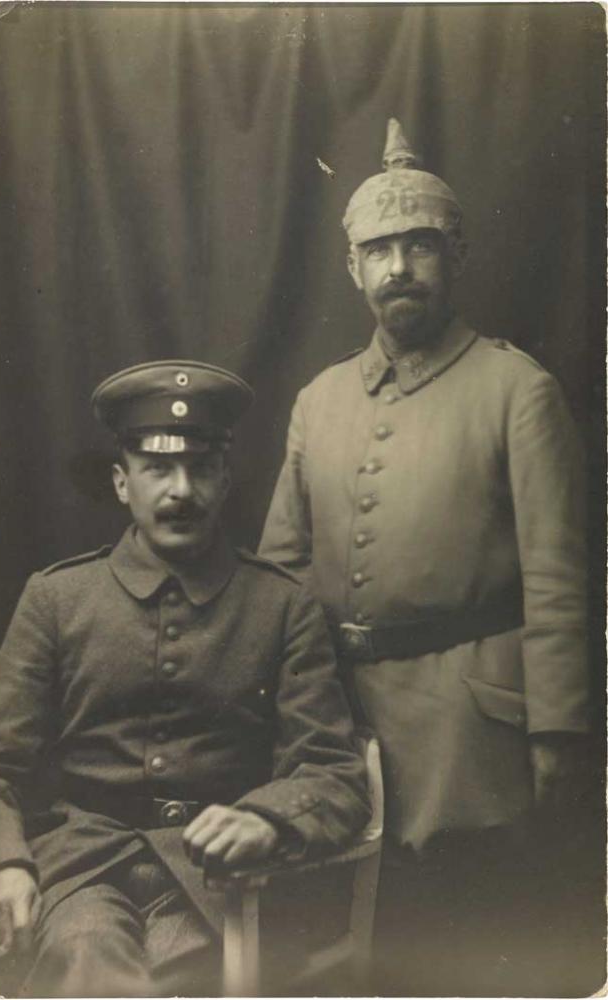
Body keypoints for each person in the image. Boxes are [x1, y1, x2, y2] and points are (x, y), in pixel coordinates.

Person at [259, 120, 592, 994]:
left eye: (419, 247)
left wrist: (556, 727)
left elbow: (558, 575)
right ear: (351, 268)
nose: (398, 267)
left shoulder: (514, 389)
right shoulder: (318, 400)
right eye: (378, 250)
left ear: (456, 257)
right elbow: (280, 574)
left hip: (473, 735)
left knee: (463, 948)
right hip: (337, 723)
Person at [0, 360, 370, 998]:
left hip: (217, 882)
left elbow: (331, 767)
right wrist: (4, 862)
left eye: (200, 468)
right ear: (121, 482)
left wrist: (268, 820)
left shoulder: (281, 605)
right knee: (83, 961)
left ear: (224, 481)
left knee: (185, 976)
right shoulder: (56, 598)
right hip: (81, 868)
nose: (180, 490)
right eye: (158, 468)